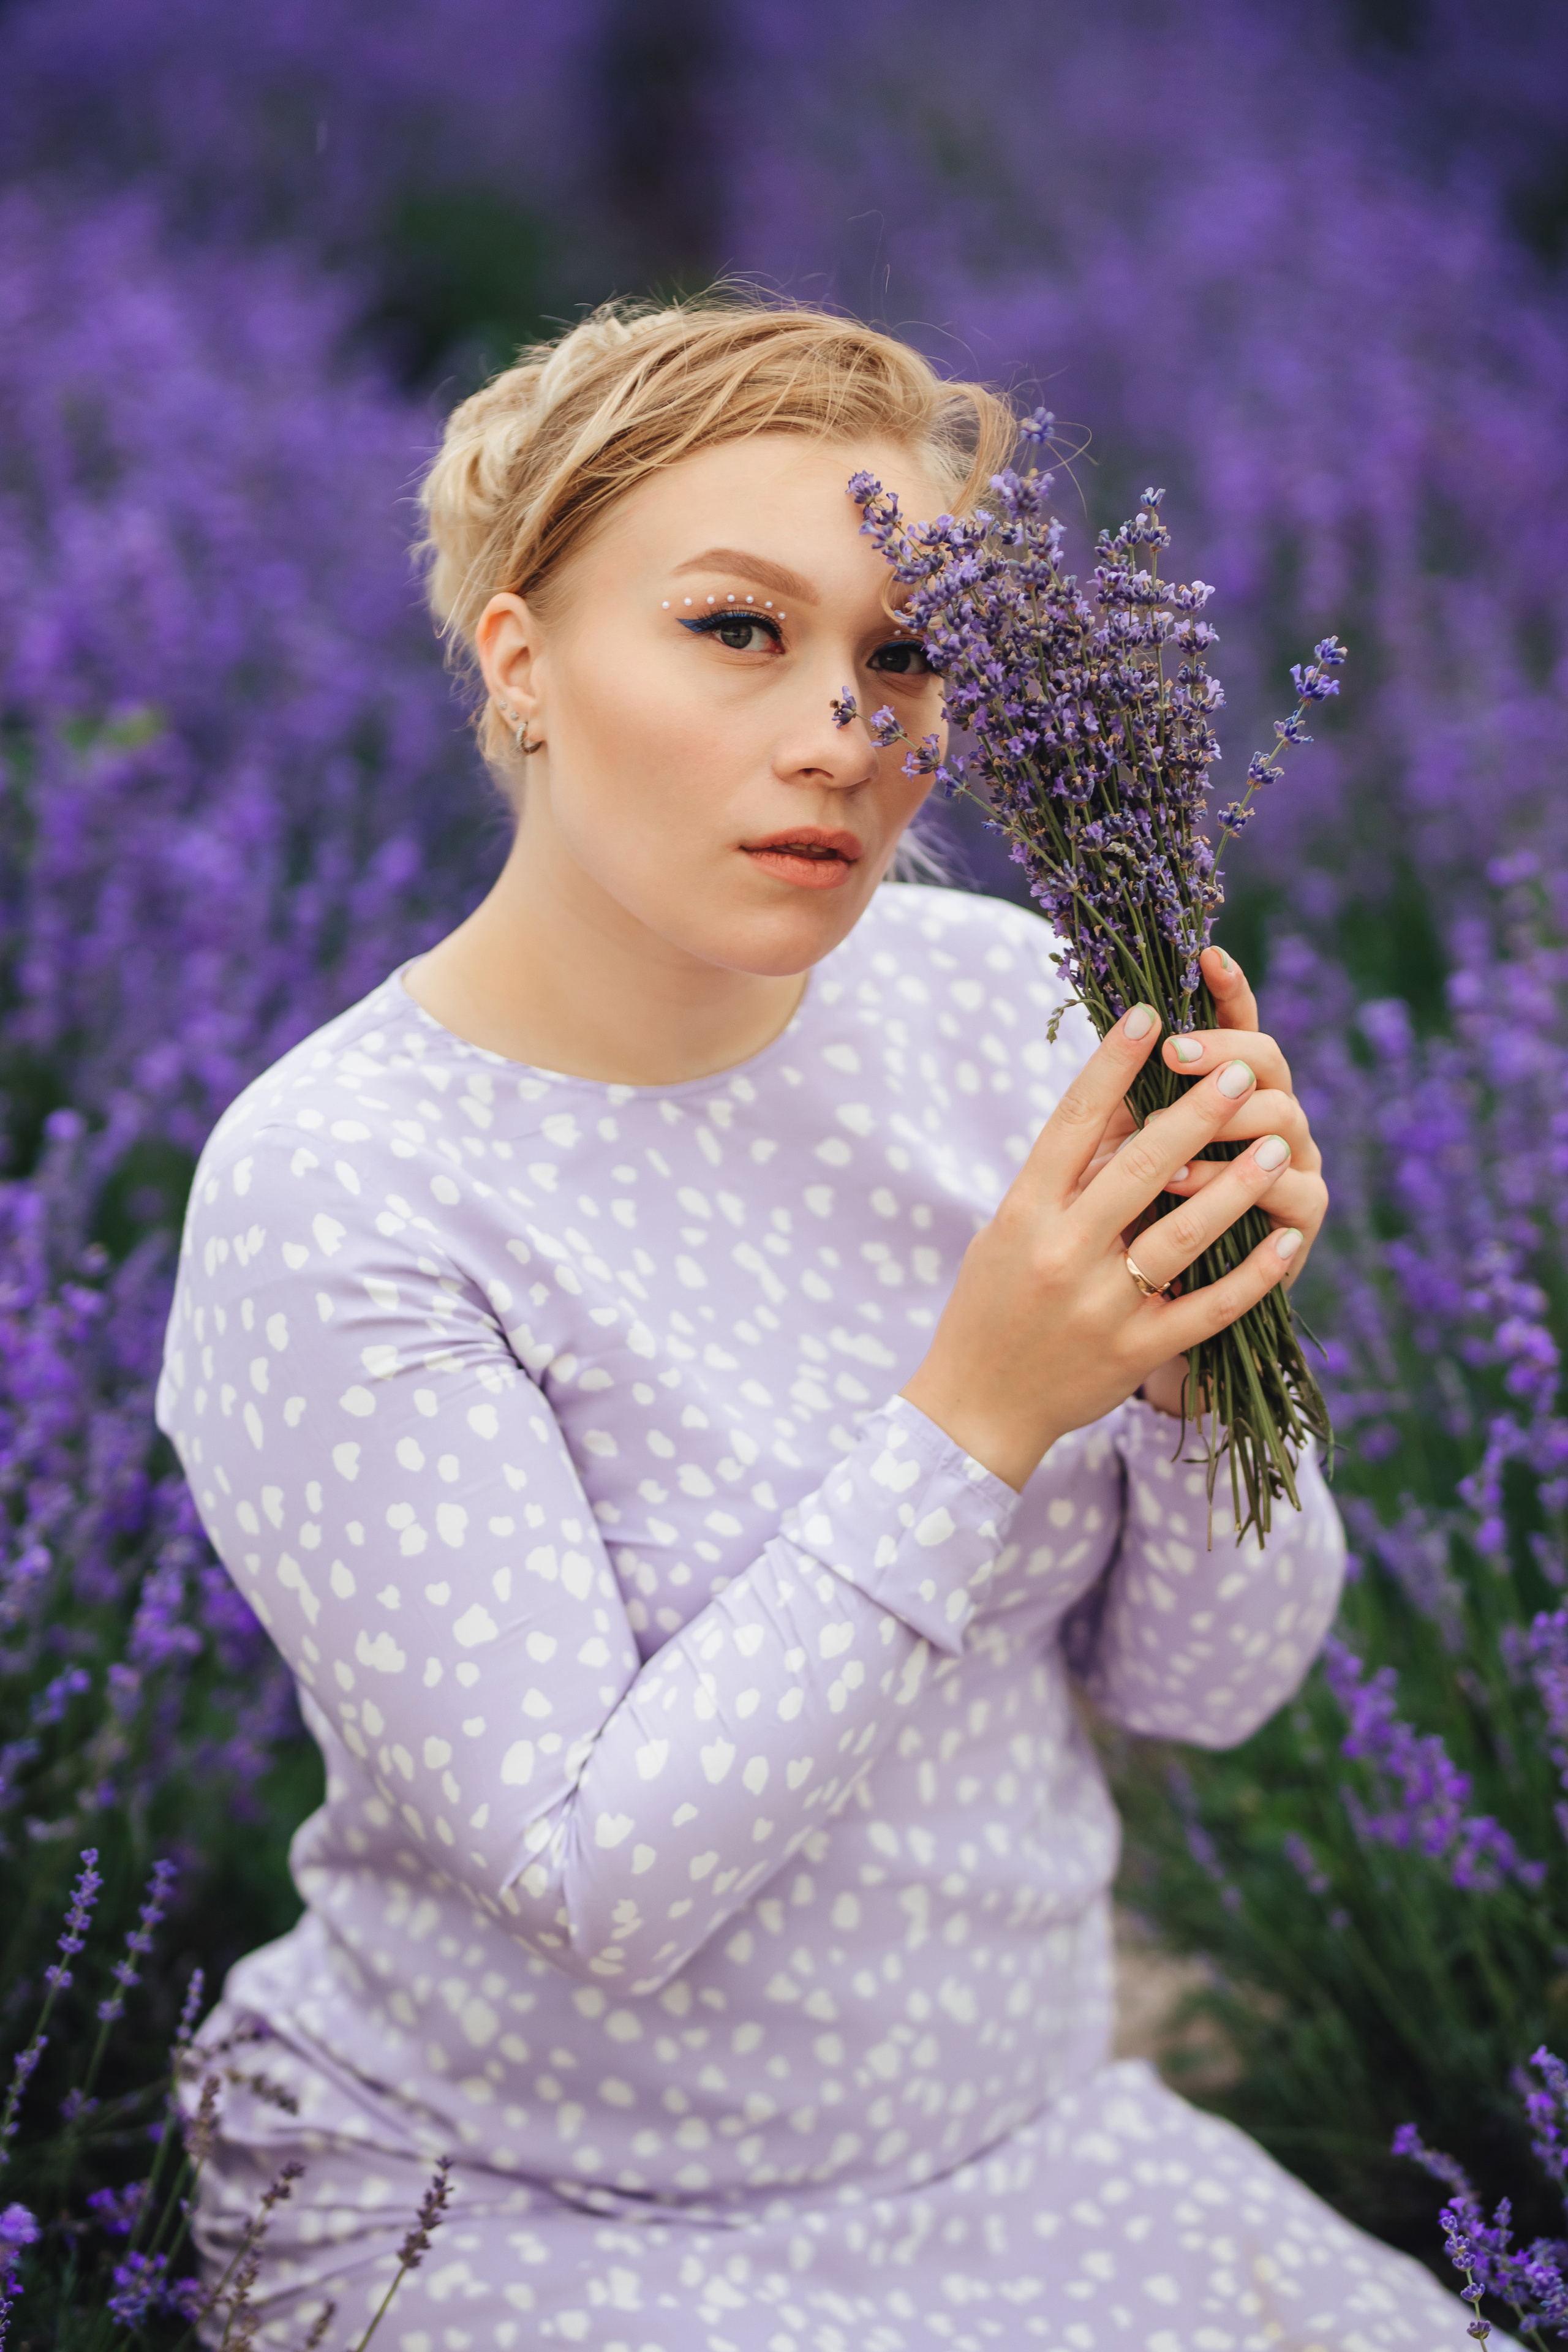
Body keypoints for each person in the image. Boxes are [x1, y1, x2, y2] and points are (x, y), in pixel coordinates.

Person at [157, 296, 1474, 2351]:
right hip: (524, 2215)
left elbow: (1213, 1689)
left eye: (906, 652)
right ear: (522, 662)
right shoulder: (347, 1188)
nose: (842, 733)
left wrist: (1218, 1351)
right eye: (737, 629)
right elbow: (605, 1889)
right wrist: (978, 1414)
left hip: (1019, 2161)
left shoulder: (1000, 1005)